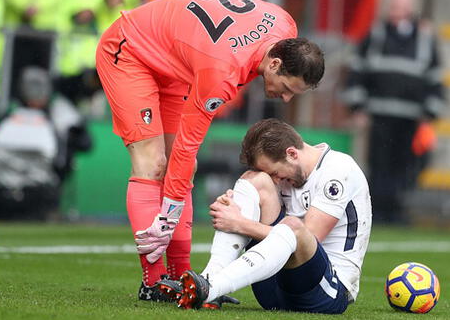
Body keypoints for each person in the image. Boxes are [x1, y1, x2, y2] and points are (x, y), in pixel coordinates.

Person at [95, 0, 325, 300]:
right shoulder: (221, 72)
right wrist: (167, 216)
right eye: (285, 88)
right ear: (275, 62)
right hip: (131, 51)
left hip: (175, 60)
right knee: (152, 164)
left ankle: (183, 279)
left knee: (183, 170)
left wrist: (171, 208)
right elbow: (187, 146)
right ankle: (152, 283)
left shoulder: (286, 26)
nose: (285, 99)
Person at [157, 119, 371, 313]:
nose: (276, 180)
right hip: (274, 289)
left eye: (276, 173)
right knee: (254, 180)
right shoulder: (285, 173)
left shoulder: (339, 170)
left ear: (292, 153)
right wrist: (234, 203)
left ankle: (211, 288)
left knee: (294, 227)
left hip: (326, 292)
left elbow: (310, 236)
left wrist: (239, 223)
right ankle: (210, 281)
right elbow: (258, 194)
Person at [343, 0, 445, 224]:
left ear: (411, 8)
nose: (395, 9)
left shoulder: (425, 39)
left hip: (410, 118)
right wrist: (357, 107)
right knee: (378, 164)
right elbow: (357, 71)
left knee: (405, 165)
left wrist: (430, 112)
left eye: (400, 5)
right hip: (378, 115)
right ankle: (378, 211)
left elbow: (435, 77)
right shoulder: (376, 35)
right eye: (393, 4)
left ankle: (396, 210)